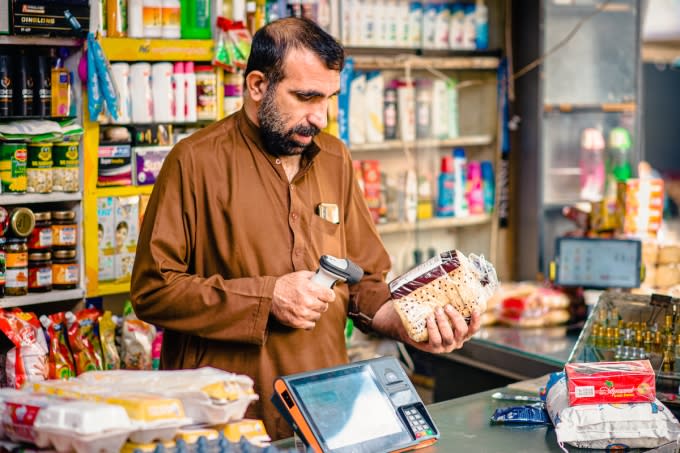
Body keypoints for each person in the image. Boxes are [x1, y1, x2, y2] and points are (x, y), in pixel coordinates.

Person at [131, 16, 481, 440]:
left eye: (329, 98)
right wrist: (267, 297)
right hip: (228, 423)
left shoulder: (334, 158)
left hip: (327, 413)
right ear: (258, 86)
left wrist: (409, 322)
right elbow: (153, 292)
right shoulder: (194, 162)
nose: (321, 117)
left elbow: (364, 282)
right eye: (306, 97)